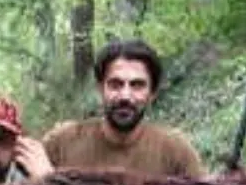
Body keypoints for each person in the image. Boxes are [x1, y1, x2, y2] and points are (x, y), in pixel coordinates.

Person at [41, 38, 206, 177]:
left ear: (152, 94)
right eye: (115, 84)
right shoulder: (62, 143)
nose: (125, 96)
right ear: (100, 88)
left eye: (137, 85)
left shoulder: (176, 153)